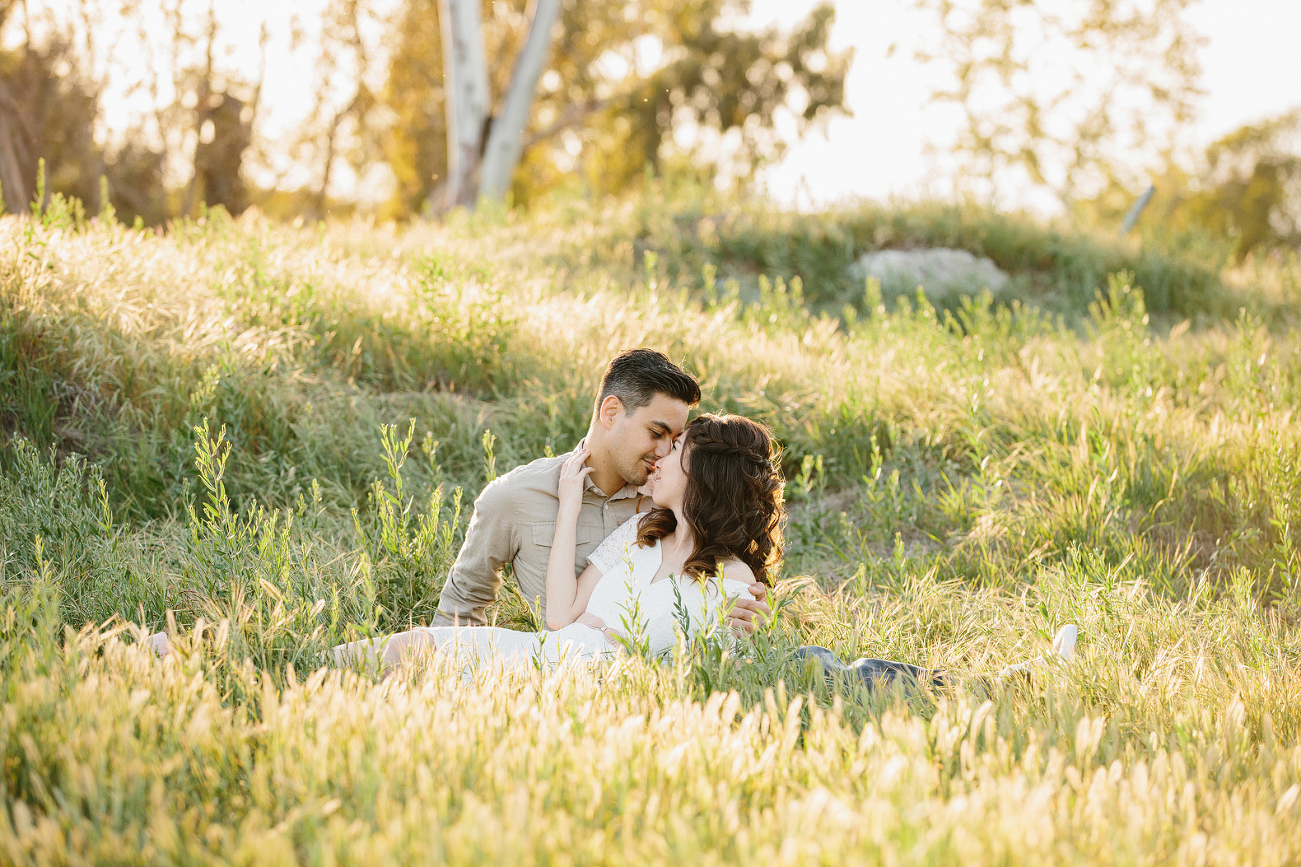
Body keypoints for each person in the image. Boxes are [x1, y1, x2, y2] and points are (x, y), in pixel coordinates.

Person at [332, 412, 784, 673]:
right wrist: (568, 506)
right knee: (405, 648)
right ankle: (277, 675)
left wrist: (617, 640)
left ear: (703, 477)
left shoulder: (735, 582)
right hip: (543, 655)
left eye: (676, 448)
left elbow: (704, 675)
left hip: (580, 688)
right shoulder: (642, 533)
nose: (660, 456)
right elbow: (560, 616)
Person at [429, 348, 771, 633]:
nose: (666, 452)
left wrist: (752, 606)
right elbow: (461, 606)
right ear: (611, 412)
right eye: (656, 432)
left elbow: (719, 555)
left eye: (675, 441)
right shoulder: (516, 497)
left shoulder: (670, 501)